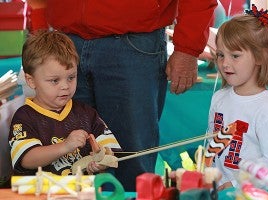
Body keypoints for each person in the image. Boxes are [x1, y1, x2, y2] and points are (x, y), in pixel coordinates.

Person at [28, 0, 218, 191]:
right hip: (65, 40)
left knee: (131, 163)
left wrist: (188, 49)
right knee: (66, 161)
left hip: (134, 42)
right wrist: (39, 30)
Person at [8, 30, 121, 177]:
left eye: (71, 77)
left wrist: (100, 162)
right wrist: (65, 146)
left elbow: (109, 150)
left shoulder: (86, 113)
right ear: (31, 81)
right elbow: (26, 159)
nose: (65, 86)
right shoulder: (24, 117)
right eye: (55, 80)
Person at [206, 4, 268, 191]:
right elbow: (211, 147)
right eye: (220, 54)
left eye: (235, 56)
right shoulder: (219, 98)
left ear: (260, 57)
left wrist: (236, 185)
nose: (225, 63)